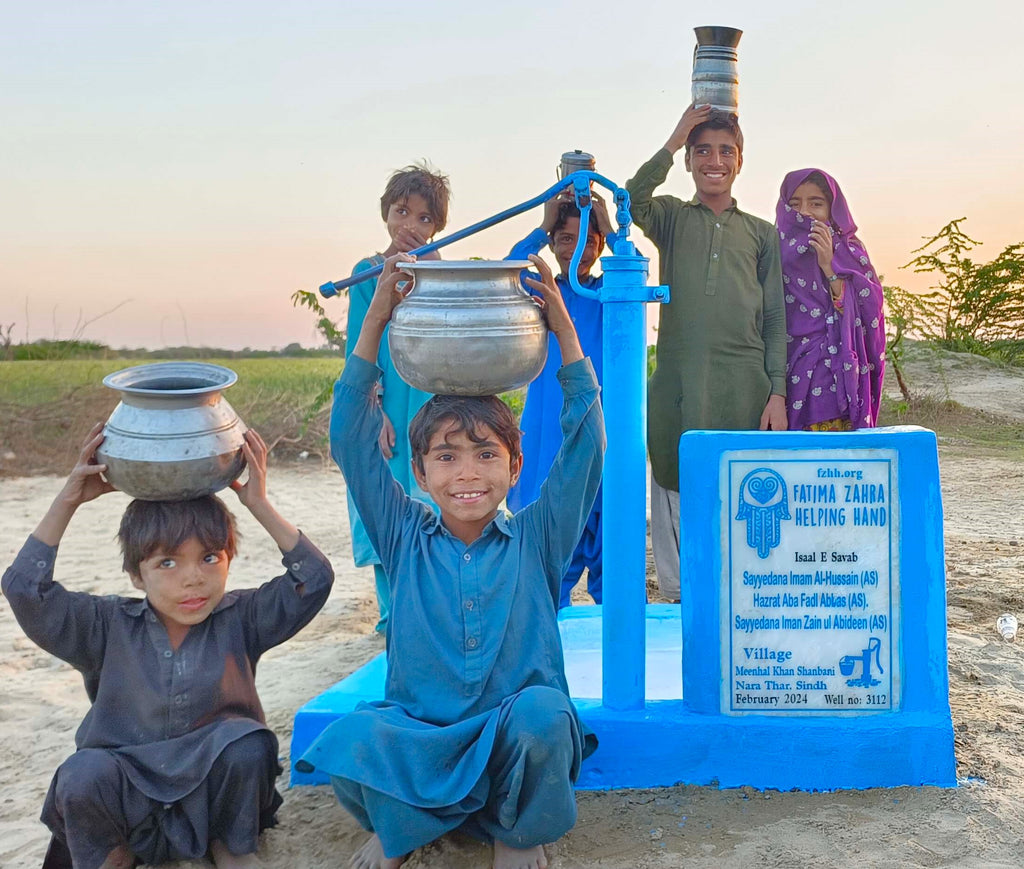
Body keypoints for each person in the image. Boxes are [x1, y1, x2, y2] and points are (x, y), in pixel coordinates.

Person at [297, 253, 605, 869]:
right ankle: (407, 823)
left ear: (515, 468)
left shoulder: (537, 538)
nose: (467, 473)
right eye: (446, 457)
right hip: (426, 745)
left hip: (512, 745)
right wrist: (378, 317)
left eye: (486, 455)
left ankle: (513, 835)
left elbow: (586, 444)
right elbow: (350, 440)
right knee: (355, 739)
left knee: (545, 716)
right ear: (418, 472)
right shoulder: (403, 533)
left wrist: (564, 330)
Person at [2, 426, 334, 869]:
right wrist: (68, 500)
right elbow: (25, 589)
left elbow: (314, 577)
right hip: (129, 801)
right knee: (83, 774)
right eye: (167, 562)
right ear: (137, 576)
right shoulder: (105, 625)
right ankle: (116, 858)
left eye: (210, 558)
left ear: (229, 559)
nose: (193, 578)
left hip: (214, 795)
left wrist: (257, 503)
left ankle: (231, 849)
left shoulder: (243, 617)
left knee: (246, 744)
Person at [626, 104, 787, 601]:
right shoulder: (673, 217)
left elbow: (777, 320)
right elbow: (630, 201)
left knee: (736, 493)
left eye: (725, 151)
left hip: (745, 388)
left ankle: (737, 595)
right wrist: (674, 139)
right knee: (675, 480)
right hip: (678, 383)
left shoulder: (761, 233)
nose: (713, 160)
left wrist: (777, 393)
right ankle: (678, 596)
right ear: (691, 160)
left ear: (740, 161)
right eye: (702, 151)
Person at [345, 163, 451, 633]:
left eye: (424, 218)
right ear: (386, 214)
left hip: (430, 404)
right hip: (387, 406)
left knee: (434, 507)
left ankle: (433, 613)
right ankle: (393, 619)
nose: (411, 226)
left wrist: (436, 275)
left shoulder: (440, 276)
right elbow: (358, 344)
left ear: (438, 227)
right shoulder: (366, 274)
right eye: (402, 212)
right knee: (383, 503)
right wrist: (372, 408)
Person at [506, 192, 614, 607]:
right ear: (552, 244)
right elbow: (510, 269)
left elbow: (633, 270)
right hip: (550, 432)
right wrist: (541, 225)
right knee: (549, 567)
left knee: (612, 563)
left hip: (605, 434)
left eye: (589, 239)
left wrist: (611, 223)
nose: (578, 248)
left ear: (601, 245)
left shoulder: (609, 293)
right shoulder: (540, 293)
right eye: (565, 238)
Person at [776, 168, 886, 430]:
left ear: (832, 209)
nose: (805, 211)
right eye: (795, 203)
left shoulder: (849, 249)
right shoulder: (772, 250)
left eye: (816, 203)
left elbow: (872, 307)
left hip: (838, 376)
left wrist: (829, 267)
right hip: (786, 376)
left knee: (834, 465)